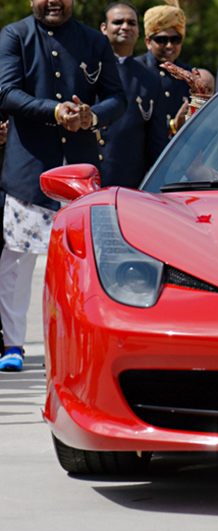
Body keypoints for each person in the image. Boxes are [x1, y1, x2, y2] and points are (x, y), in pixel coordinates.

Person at [0, 0, 126, 371]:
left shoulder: (93, 40)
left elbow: (117, 98)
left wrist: (92, 116)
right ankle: (13, 346)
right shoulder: (15, 35)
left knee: (84, 266)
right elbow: (6, 92)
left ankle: (85, 344)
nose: (54, 0)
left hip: (82, 177)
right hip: (29, 172)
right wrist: (54, 111)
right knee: (18, 262)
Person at [98, 2, 169, 189]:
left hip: (128, 185)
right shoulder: (87, 70)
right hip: (87, 179)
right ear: (104, 28)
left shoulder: (150, 80)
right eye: (118, 22)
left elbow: (157, 143)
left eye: (132, 23)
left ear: (139, 31)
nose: (125, 27)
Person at [135, 0, 191, 137]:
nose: (169, 45)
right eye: (162, 40)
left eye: (175, 39)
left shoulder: (188, 75)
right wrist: (172, 126)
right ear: (148, 42)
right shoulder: (135, 70)